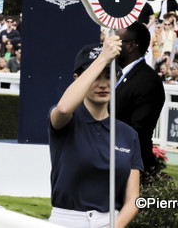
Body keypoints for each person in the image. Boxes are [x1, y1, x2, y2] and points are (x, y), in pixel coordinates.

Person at [48, 37, 141, 228]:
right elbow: (64, 108)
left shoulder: (128, 134)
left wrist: (115, 225)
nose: (103, 83)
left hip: (111, 222)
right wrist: (102, 59)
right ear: (78, 78)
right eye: (97, 75)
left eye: (109, 75)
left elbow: (133, 199)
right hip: (67, 220)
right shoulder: (67, 121)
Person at [115, 21, 165, 180]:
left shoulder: (147, 80)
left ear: (132, 46)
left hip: (132, 166)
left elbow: (137, 130)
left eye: (117, 40)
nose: (111, 45)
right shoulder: (116, 74)